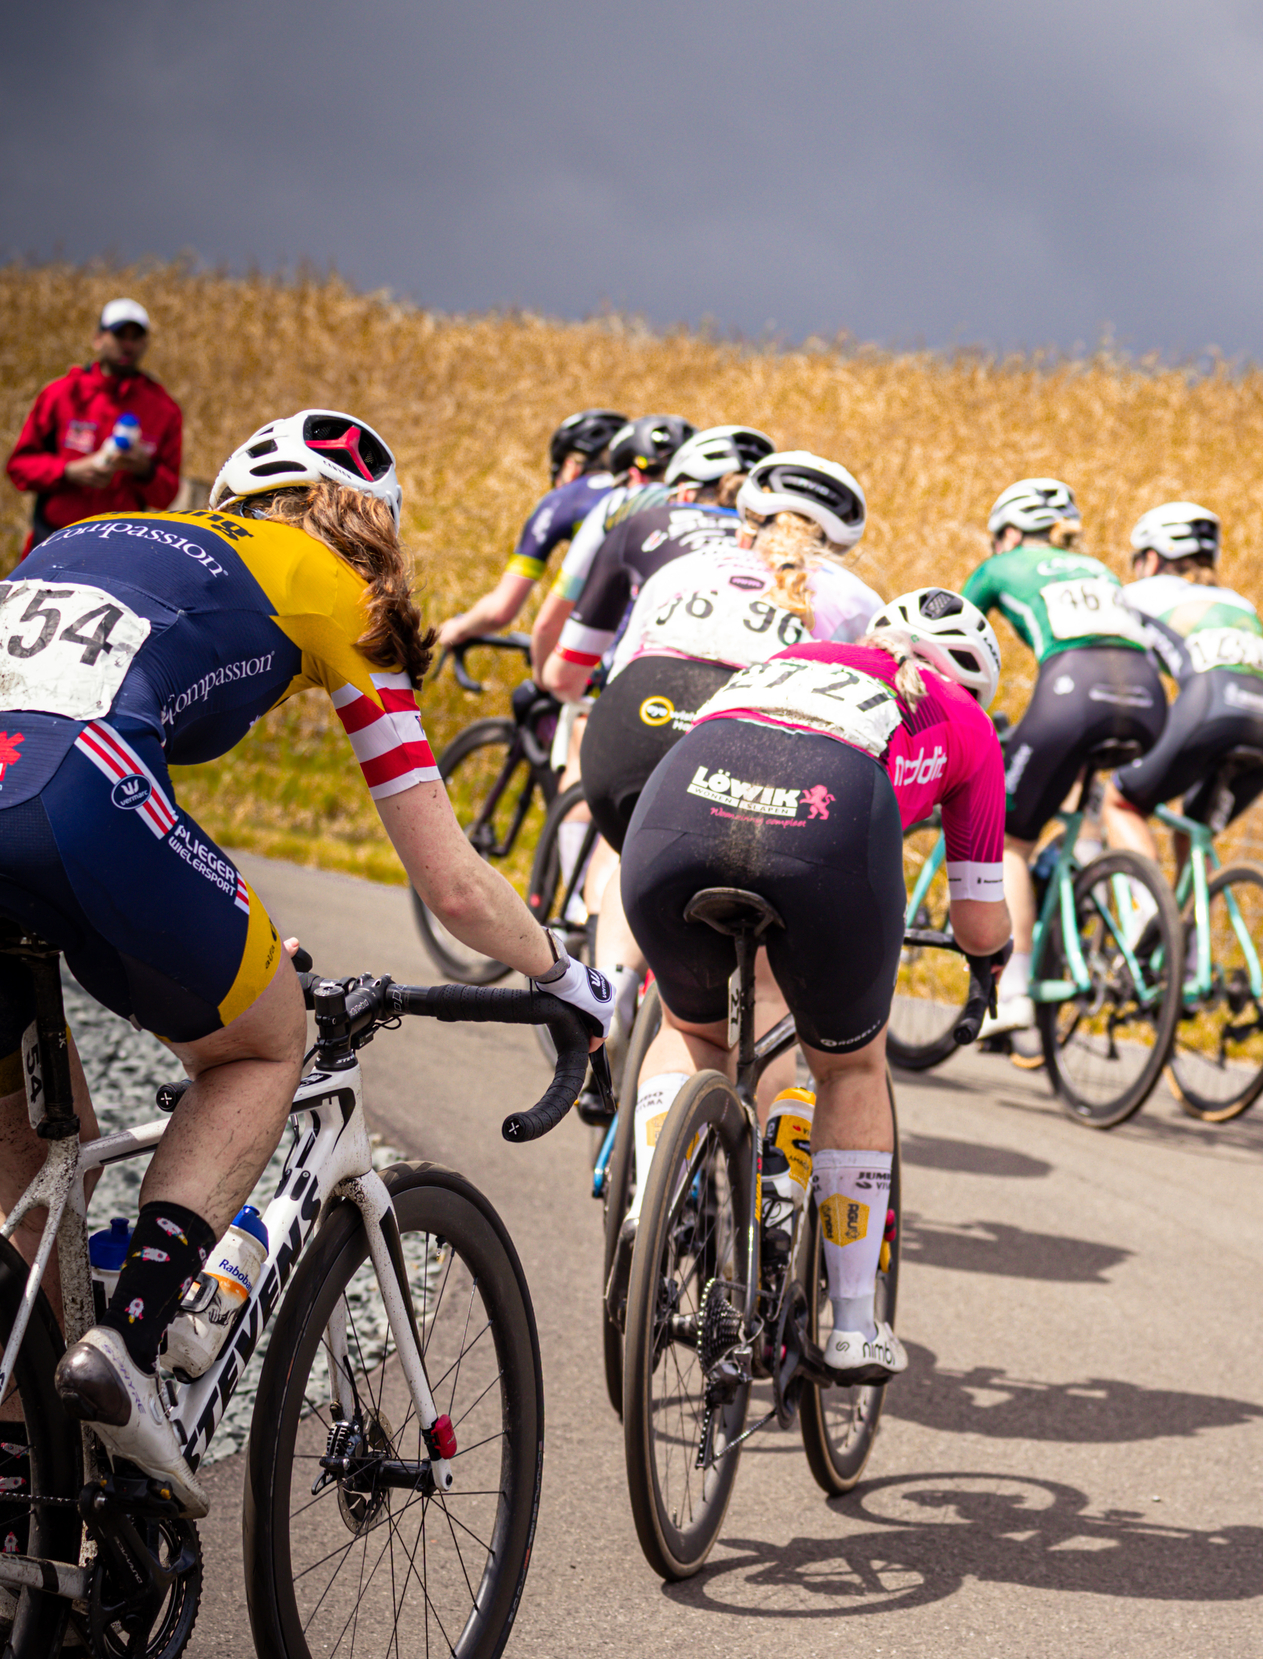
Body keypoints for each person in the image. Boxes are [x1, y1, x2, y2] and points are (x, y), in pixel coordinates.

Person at [0, 410, 610, 1513]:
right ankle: (131, 1348)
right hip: (76, 796)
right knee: (261, 1044)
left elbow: (74, 709)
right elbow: (453, 885)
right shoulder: (340, 589)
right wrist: (564, 976)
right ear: (372, 526)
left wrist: (226, 912)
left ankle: (31, 1483)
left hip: (32, 784)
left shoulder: (94, 532)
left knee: (40, 1151)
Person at [618, 587, 1009, 1380]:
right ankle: (856, 1323)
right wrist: (990, 965)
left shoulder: (792, 660)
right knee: (851, 1065)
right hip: (827, 829)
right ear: (970, 683)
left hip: (680, 808)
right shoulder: (965, 722)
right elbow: (978, 920)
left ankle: (652, 1202)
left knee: (691, 1031)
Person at [550, 450, 881, 1073]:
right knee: (767, 944)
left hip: (636, 719)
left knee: (634, 850)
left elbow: (618, 669)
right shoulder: (857, 597)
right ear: (840, 545)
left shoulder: (686, 564)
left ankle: (609, 995)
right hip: (752, 750)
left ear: (745, 521)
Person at [961, 479, 1168, 1037]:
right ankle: (1139, 907)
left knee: (1010, 841)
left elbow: (950, 642)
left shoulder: (1002, 565)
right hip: (1149, 698)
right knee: (1089, 804)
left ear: (1007, 533)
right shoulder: (1100, 569)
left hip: (1075, 690)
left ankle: (1018, 988)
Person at [1097, 503, 1263, 869]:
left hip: (1212, 705)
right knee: (1192, 829)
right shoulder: (1241, 604)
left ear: (1152, 558)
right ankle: (1188, 925)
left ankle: (1145, 919)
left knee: (1121, 803)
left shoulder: (1142, 593)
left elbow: (1115, 670)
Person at [530, 420, 772, 685]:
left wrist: (544, 683)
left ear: (682, 491)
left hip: (650, 692)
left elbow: (554, 645)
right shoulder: (785, 547)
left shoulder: (631, 509)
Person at [433, 407, 630, 658]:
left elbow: (500, 611)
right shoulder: (649, 495)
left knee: (534, 696)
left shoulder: (562, 500)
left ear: (570, 466)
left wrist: (458, 628)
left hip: (613, 649)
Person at [6, 297, 184, 553]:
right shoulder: (62, 394)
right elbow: (19, 468)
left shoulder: (164, 409)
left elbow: (167, 494)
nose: (128, 344)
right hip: (54, 539)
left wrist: (144, 468)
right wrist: (68, 471)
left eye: (136, 337)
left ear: (145, 343)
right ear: (98, 338)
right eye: (119, 334)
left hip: (118, 549)